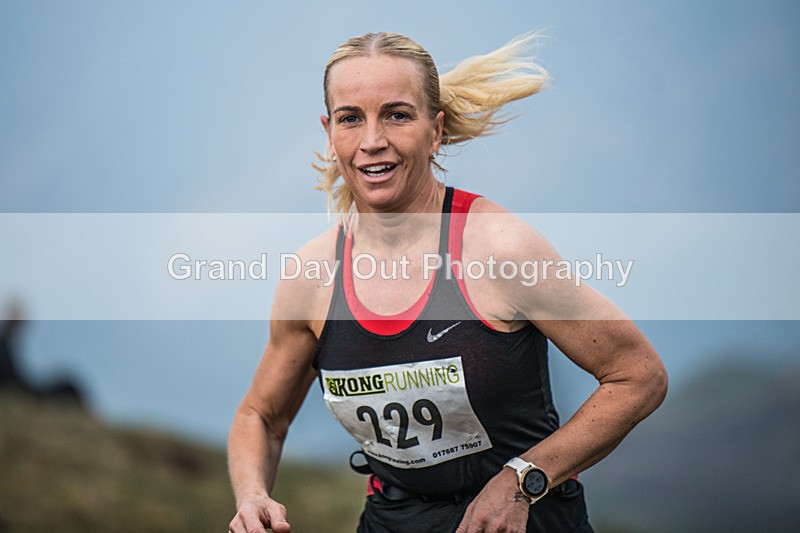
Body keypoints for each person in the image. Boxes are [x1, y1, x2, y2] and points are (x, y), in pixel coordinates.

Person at [227, 32, 667, 533]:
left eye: (397, 114)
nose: (372, 140)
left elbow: (638, 376)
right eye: (352, 118)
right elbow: (260, 416)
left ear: (435, 131)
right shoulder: (312, 278)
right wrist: (253, 496)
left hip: (525, 521)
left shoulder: (499, 249)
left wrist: (520, 480)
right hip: (392, 520)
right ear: (330, 134)